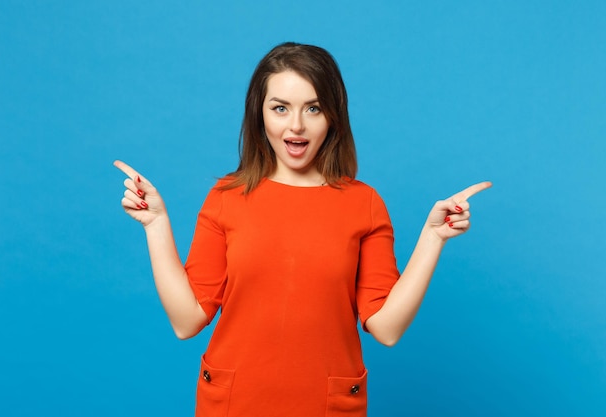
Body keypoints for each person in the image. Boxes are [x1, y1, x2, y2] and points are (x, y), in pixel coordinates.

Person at [114, 42, 491, 417]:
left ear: (333, 116)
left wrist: (433, 238)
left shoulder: (364, 203)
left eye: (313, 108)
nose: (296, 125)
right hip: (234, 403)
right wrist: (156, 224)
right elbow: (186, 321)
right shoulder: (227, 196)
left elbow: (387, 328)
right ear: (259, 115)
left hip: (327, 405)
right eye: (280, 108)